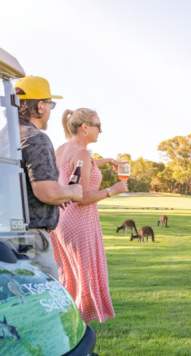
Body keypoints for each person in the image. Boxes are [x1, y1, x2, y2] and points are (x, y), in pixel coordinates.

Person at [50, 108, 127, 323]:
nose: (100, 131)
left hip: (61, 219)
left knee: (70, 274)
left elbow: (73, 172)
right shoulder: (82, 153)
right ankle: (80, 326)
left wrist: (105, 161)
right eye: (98, 126)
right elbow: (81, 196)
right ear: (85, 127)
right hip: (79, 219)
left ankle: (67, 320)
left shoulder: (63, 148)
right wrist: (112, 190)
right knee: (84, 275)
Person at [15, 76, 83, 279]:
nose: (50, 111)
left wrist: (57, 198)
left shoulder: (6, 137)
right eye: (50, 104)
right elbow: (46, 192)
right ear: (41, 106)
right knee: (43, 305)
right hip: (32, 241)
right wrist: (72, 191)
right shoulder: (36, 138)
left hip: (10, 238)